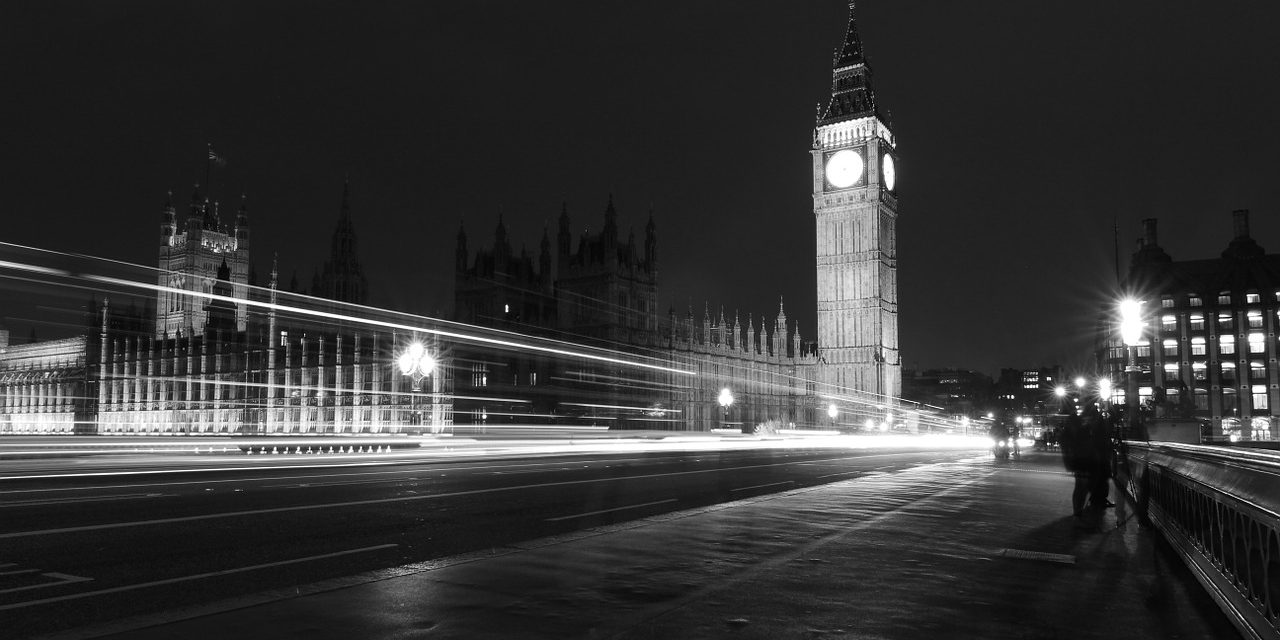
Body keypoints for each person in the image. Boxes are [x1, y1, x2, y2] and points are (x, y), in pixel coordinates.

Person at [1058, 403, 1093, 518]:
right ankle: (1078, 511)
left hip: (1078, 459)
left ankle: (1078, 510)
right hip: (1080, 459)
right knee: (1082, 486)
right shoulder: (1076, 426)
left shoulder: (1070, 427)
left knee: (1081, 485)